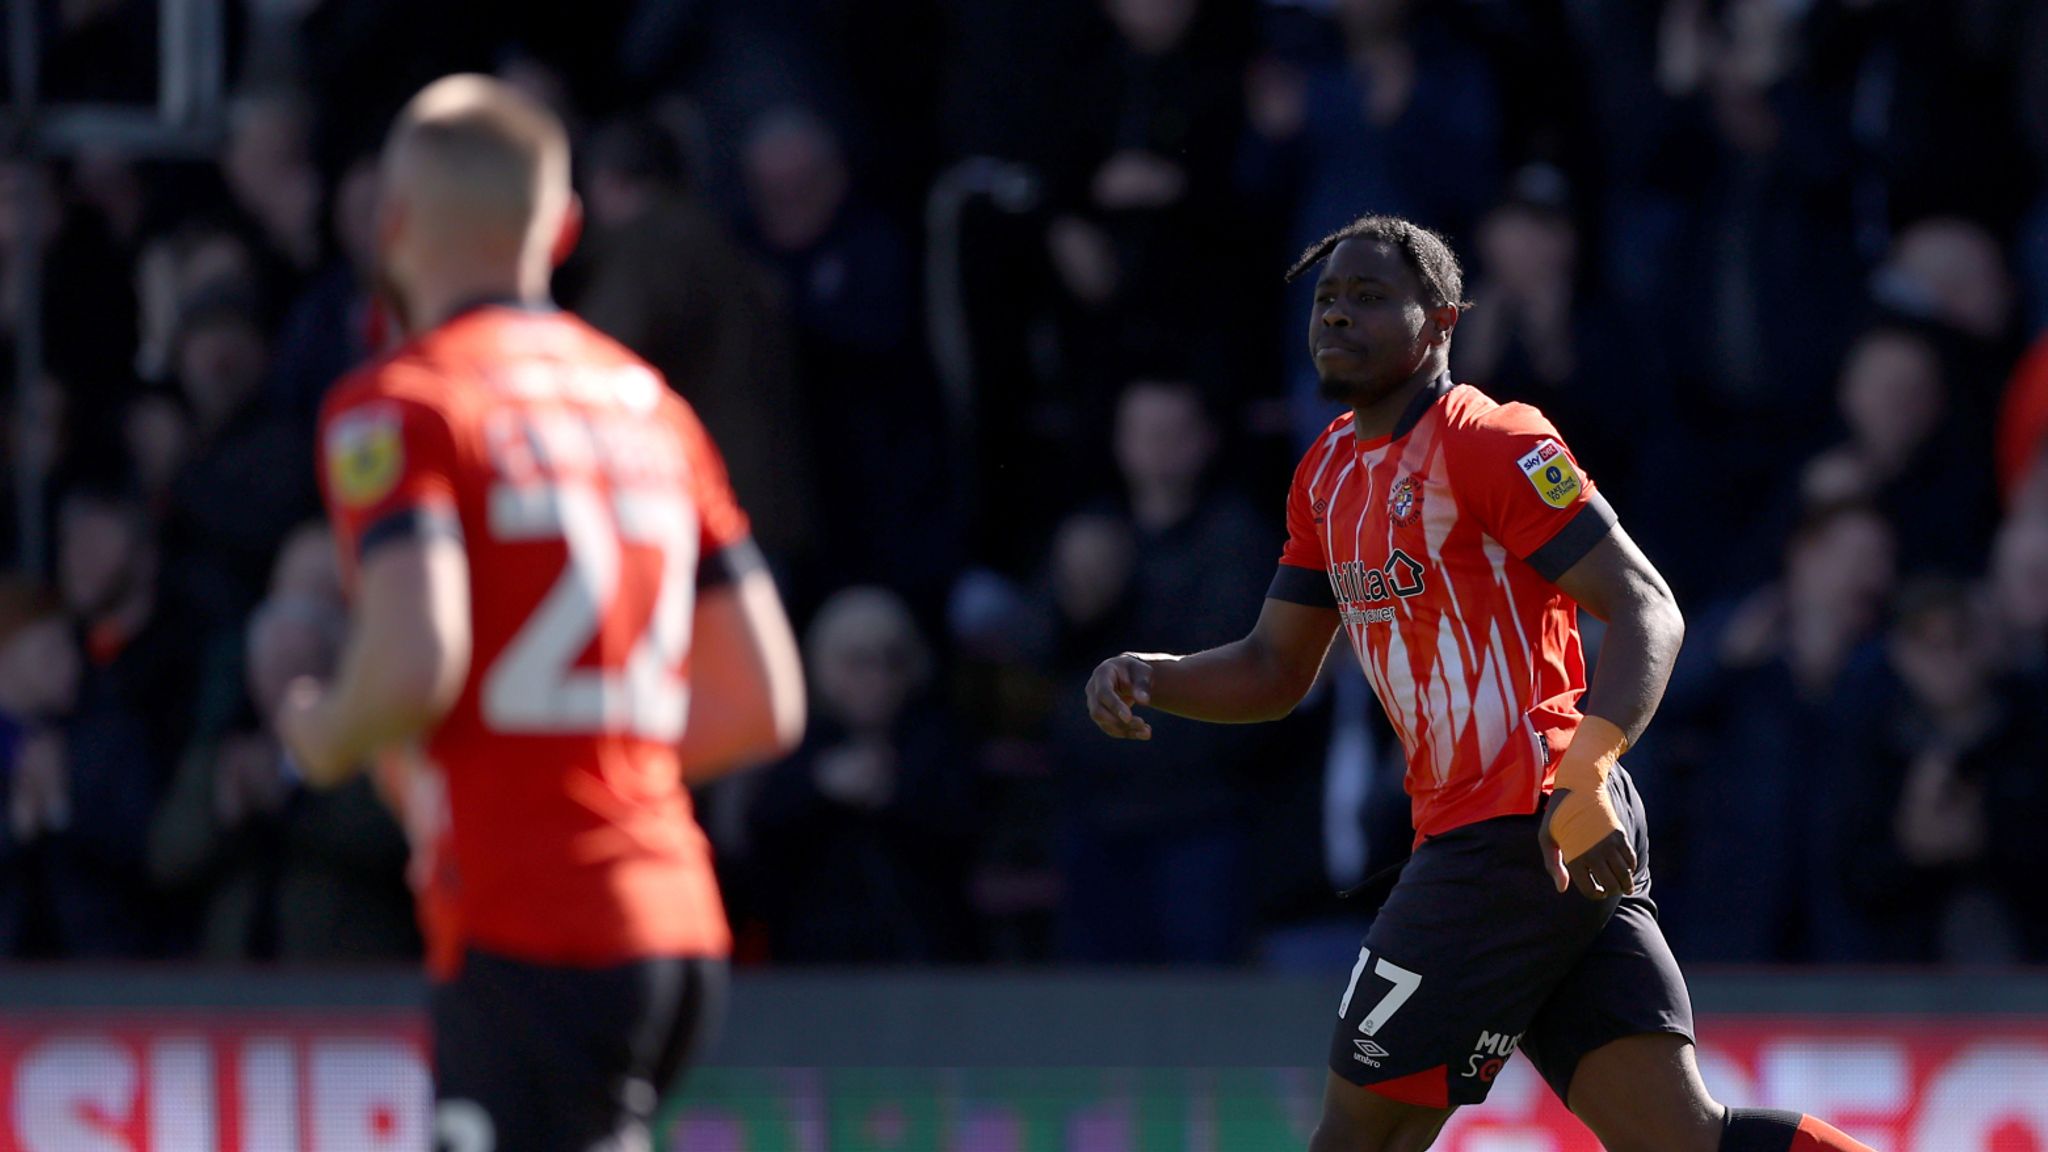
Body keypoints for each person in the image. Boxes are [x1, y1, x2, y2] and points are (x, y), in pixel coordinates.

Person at [1082, 216, 1872, 1152]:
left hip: (1515, 823)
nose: (1338, 315)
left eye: (1372, 298)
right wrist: (1155, 677)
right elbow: (1273, 669)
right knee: (1681, 1138)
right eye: (1328, 299)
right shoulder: (1327, 475)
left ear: (1442, 322)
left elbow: (1648, 607)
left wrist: (1582, 774)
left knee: (1358, 1138)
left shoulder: (1492, 442)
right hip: (1528, 836)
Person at [275, 75, 807, 1151]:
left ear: (389, 227)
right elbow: (765, 702)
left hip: (528, 931)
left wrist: (318, 737)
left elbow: (416, 663)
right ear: (562, 228)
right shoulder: (652, 408)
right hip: (670, 924)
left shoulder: (404, 404)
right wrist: (597, 768)